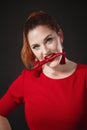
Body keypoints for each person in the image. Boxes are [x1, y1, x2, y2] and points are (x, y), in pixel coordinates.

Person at [0, 10, 87, 130]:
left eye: (49, 40)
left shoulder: (84, 75)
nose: (45, 52)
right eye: (36, 47)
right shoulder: (27, 79)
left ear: (60, 35)